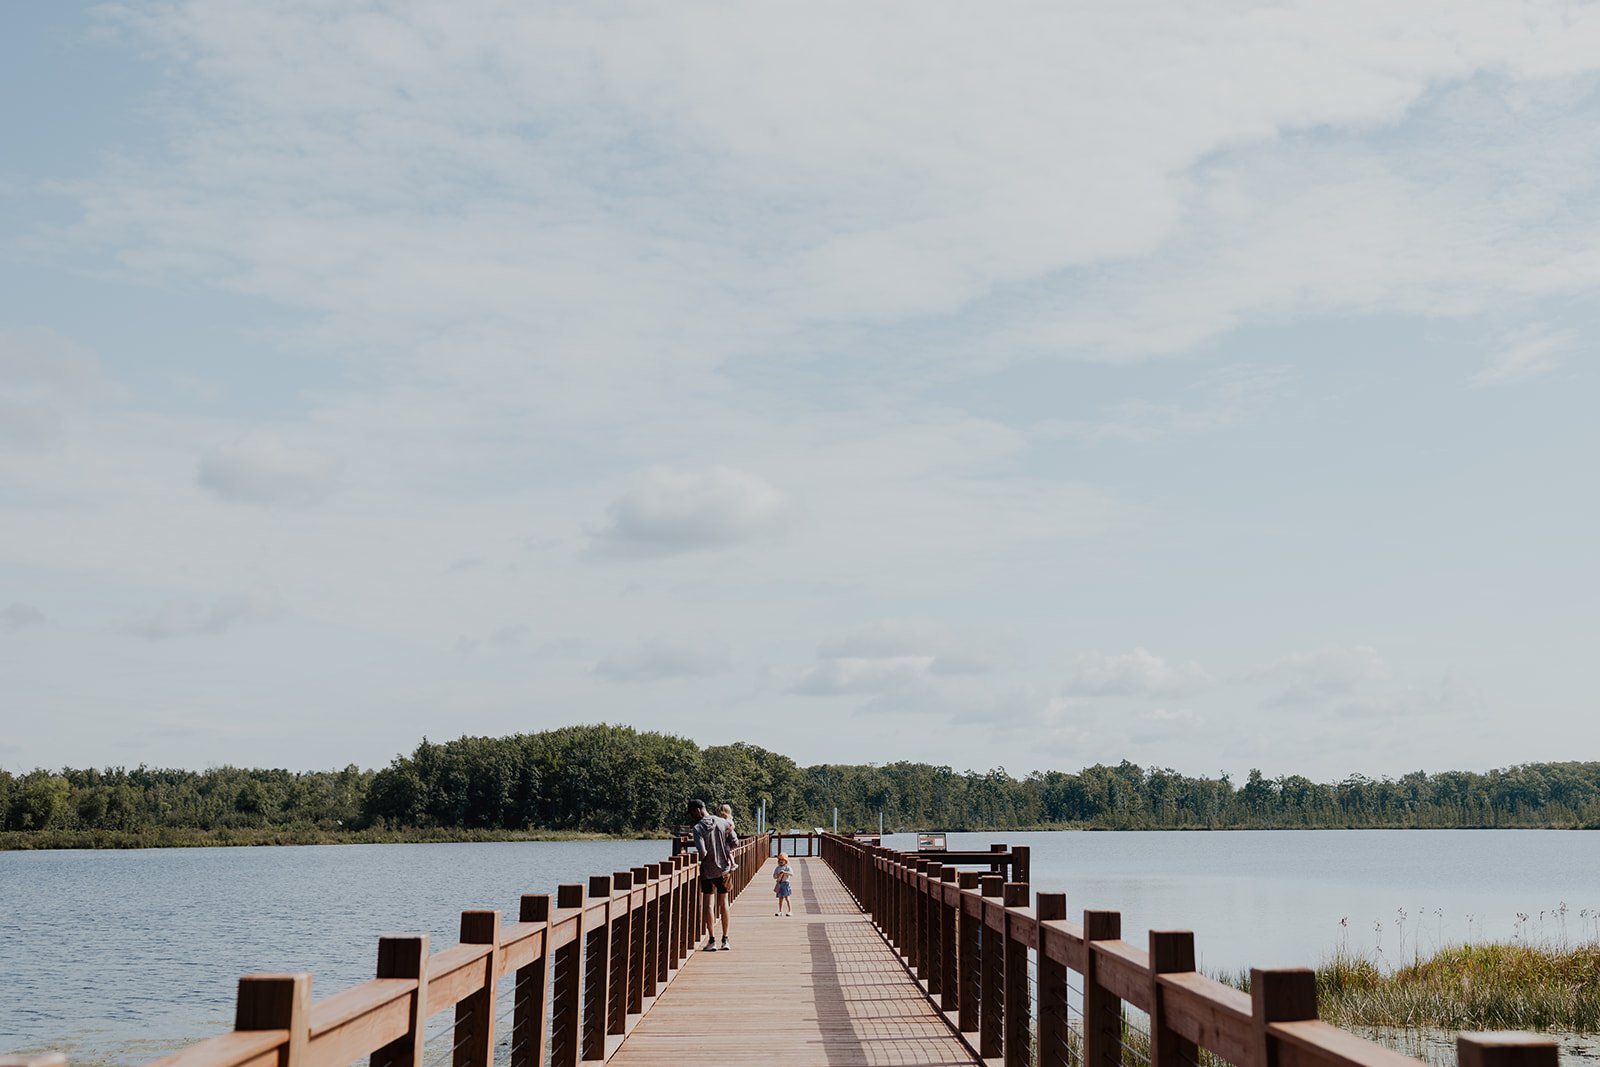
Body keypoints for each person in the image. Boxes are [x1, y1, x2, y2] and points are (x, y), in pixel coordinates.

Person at [688, 798, 738, 950]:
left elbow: (702, 853)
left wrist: (700, 858)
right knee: (724, 903)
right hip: (724, 870)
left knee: (709, 904)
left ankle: (712, 941)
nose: (692, 816)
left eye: (691, 813)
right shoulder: (723, 822)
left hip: (708, 872)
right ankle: (726, 939)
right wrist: (724, 850)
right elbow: (735, 841)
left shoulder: (697, 828)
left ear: (698, 810)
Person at [773, 851, 794, 915]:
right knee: (780, 898)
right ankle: (780, 911)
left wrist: (785, 872)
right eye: (780, 860)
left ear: (786, 861)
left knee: (787, 897)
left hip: (785, 883)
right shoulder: (777, 868)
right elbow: (774, 876)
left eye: (782, 860)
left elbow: (792, 874)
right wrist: (777, 875)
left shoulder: (787, 867)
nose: (781, 861)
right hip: (779, 883)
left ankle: (790, 911)